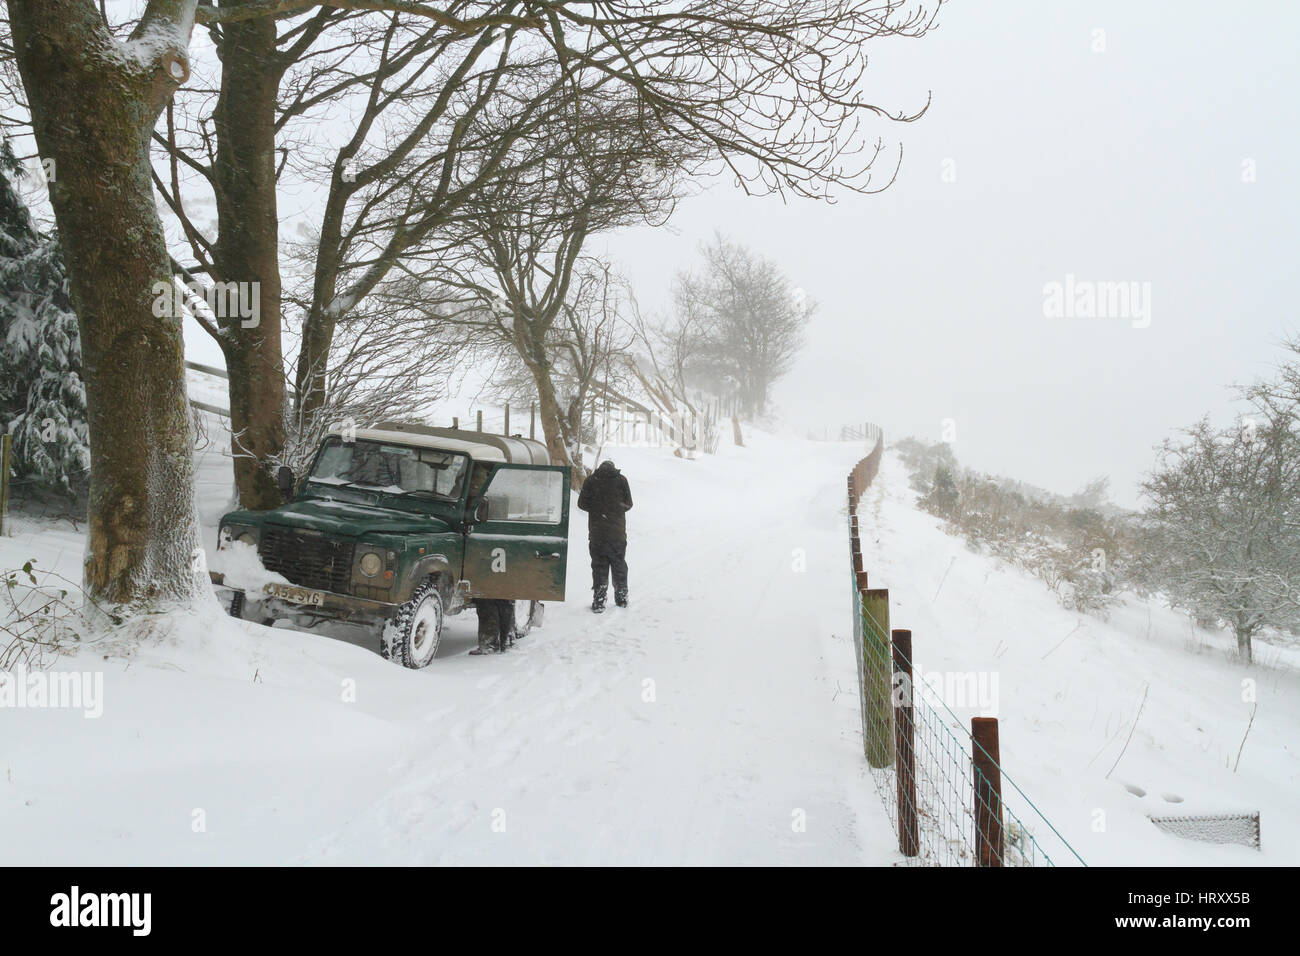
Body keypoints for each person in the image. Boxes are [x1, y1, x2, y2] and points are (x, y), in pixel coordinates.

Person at [577, 459, 633, 612]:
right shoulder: (621, 480)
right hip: (617, 533)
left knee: (599, 565)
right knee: (619, 564)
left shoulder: (591, 480)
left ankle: (599, 600)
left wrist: (597, 509)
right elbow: (629, 504)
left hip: (597, 533)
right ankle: (621, 597)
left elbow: (581, 503)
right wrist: (615, 509)